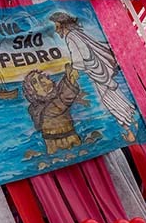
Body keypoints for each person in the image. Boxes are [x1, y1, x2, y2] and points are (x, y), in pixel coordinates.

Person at [49, 11, 138, 139]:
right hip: (98, 72)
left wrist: (75, 69)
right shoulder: (76, 34)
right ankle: (132, 124)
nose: (57, 31)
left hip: (97, 73)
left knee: (110, 101)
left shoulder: (70, 36)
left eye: (57, 27)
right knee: (114, 98)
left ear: (64, 25)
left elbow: (81, 55)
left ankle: (130, 131)